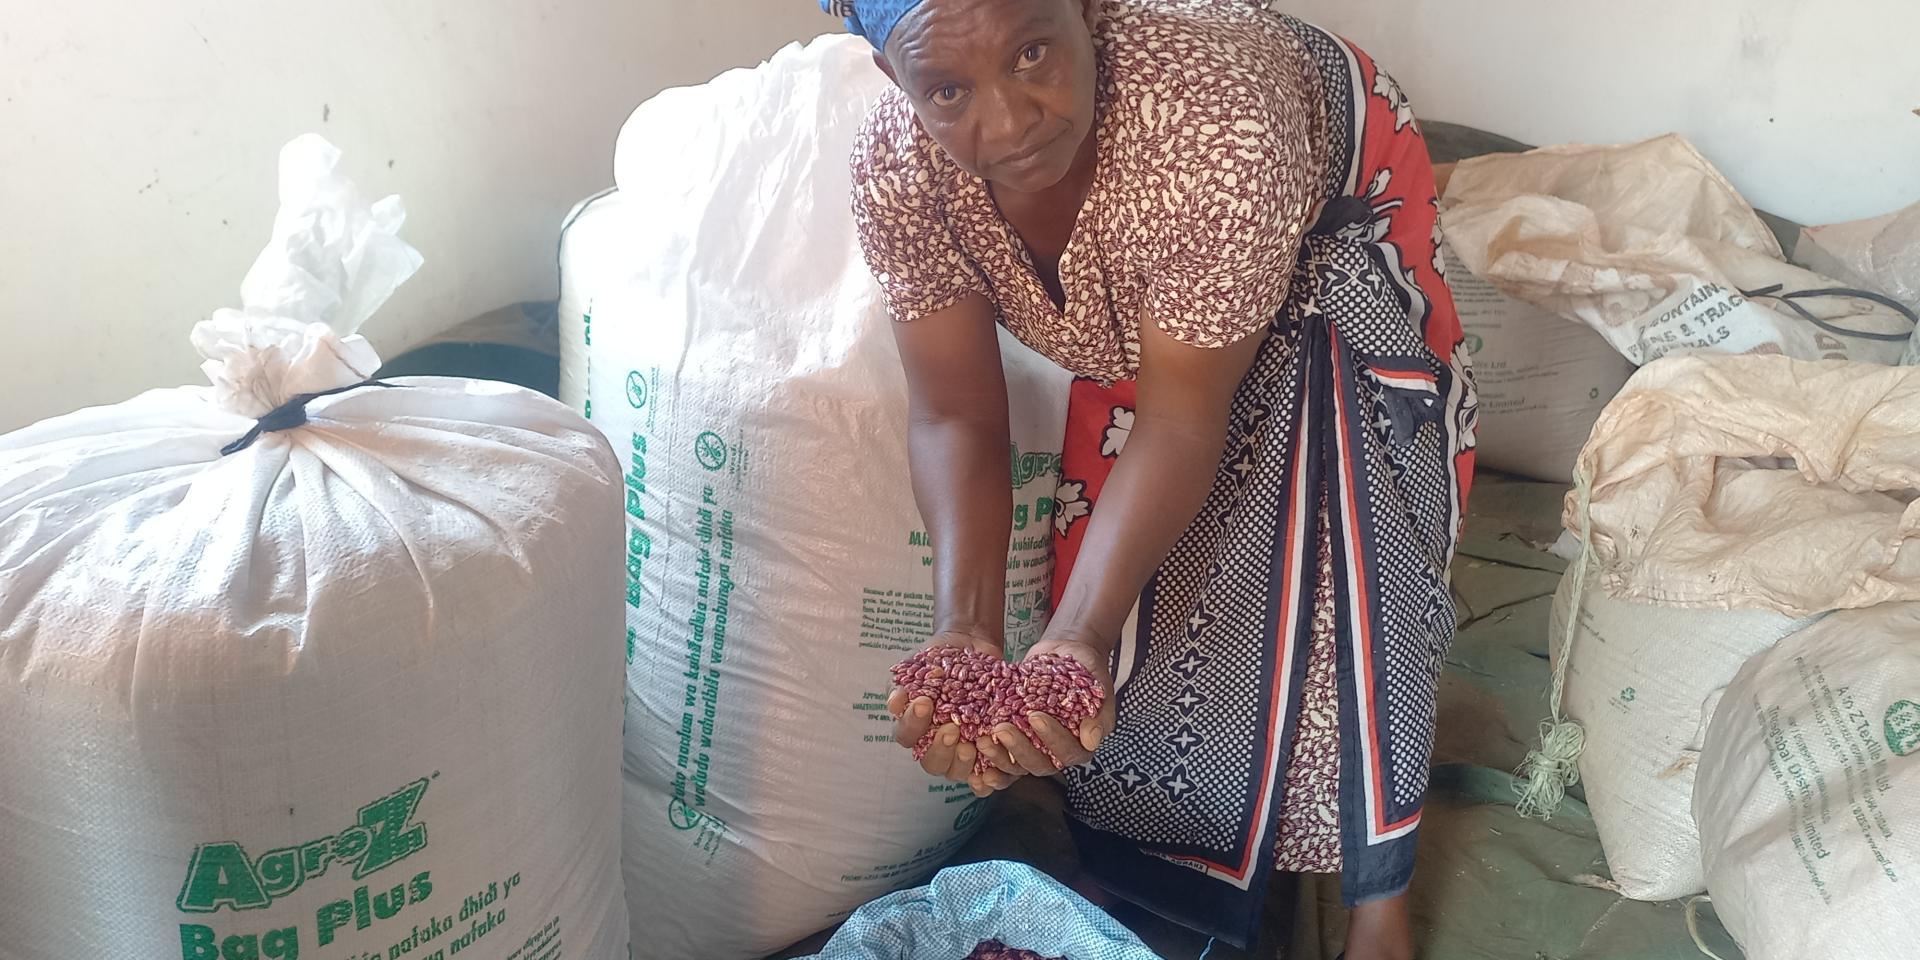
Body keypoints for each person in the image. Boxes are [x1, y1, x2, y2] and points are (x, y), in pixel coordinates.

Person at [834, 0, 1477, 956]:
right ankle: (1168, 860)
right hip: (1184, 279)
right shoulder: (898, 166)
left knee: (1335, 513)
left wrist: (1082, 631)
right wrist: (965, 627)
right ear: (897, 83)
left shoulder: (1219, 120)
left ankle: (1376, 893)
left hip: (1330, 213)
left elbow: (1180, 415)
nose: (1008, 122)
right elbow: (959, 411)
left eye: (1035, 51)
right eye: (950, 90)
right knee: (1136, 580)